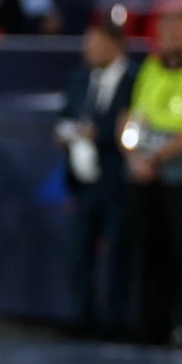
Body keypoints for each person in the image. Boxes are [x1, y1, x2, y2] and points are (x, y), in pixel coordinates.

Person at [118, 11, 182, 347]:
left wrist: (159, 157)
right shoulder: (149, 68)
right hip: (146, 172)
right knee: (150, 251)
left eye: (179, 31)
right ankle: (152, 328)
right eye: (166, 31)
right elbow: (130, 114)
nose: (172, 37)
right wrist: (134, 156)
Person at [56, 19, 137, 338]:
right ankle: (83, 318)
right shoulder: (78, 78)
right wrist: (66, 132)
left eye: (95, 44)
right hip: (82, 180)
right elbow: (66, 115)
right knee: (79, 251)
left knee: (117, 253)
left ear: (116, 45)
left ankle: (115, 322)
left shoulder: (135, 80)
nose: (88, 50)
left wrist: (99, 134)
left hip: (119, 179)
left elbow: (133, 123)